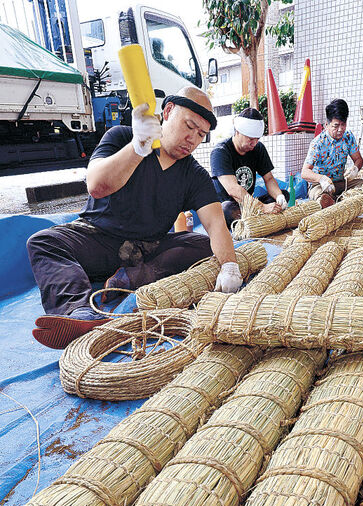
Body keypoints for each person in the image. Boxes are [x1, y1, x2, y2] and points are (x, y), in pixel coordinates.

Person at [27, 86, 243, 350]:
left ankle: (130, 279)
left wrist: (230, 266)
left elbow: (215, 224)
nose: (193, 139)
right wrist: (138, 148)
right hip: (98, 239)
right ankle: (79, 312)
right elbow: (96, 185)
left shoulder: (194, 174)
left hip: (148, 250)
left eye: (201, 135)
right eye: (189, 126)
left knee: (201, 245)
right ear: (168, 111)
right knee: (43, 242)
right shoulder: (121, 137)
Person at [210, 108, 289, 229]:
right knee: (226, 210)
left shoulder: (258, 148)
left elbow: (268, 179)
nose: (254, 143)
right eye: (250, 139)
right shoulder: (220, 151)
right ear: (237, 132)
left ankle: (254, 218)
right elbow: (233, 189)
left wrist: (279, 197)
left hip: (249, 204)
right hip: (230, 205)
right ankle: (257, 218)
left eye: (257, 139)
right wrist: (262, 207)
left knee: (284, 194)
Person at [301, 98, 363, 207]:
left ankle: (340, 198)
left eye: (343, 124)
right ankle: (333, 199)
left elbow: (358, 159)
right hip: (321, 186)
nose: (340, 129)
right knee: (322, 197)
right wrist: (321, 179)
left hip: (341, 183)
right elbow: (305, 172)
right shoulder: (318, 143)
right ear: (327, 125)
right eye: (336, 126)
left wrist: (355, 169)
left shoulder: (348, 137)